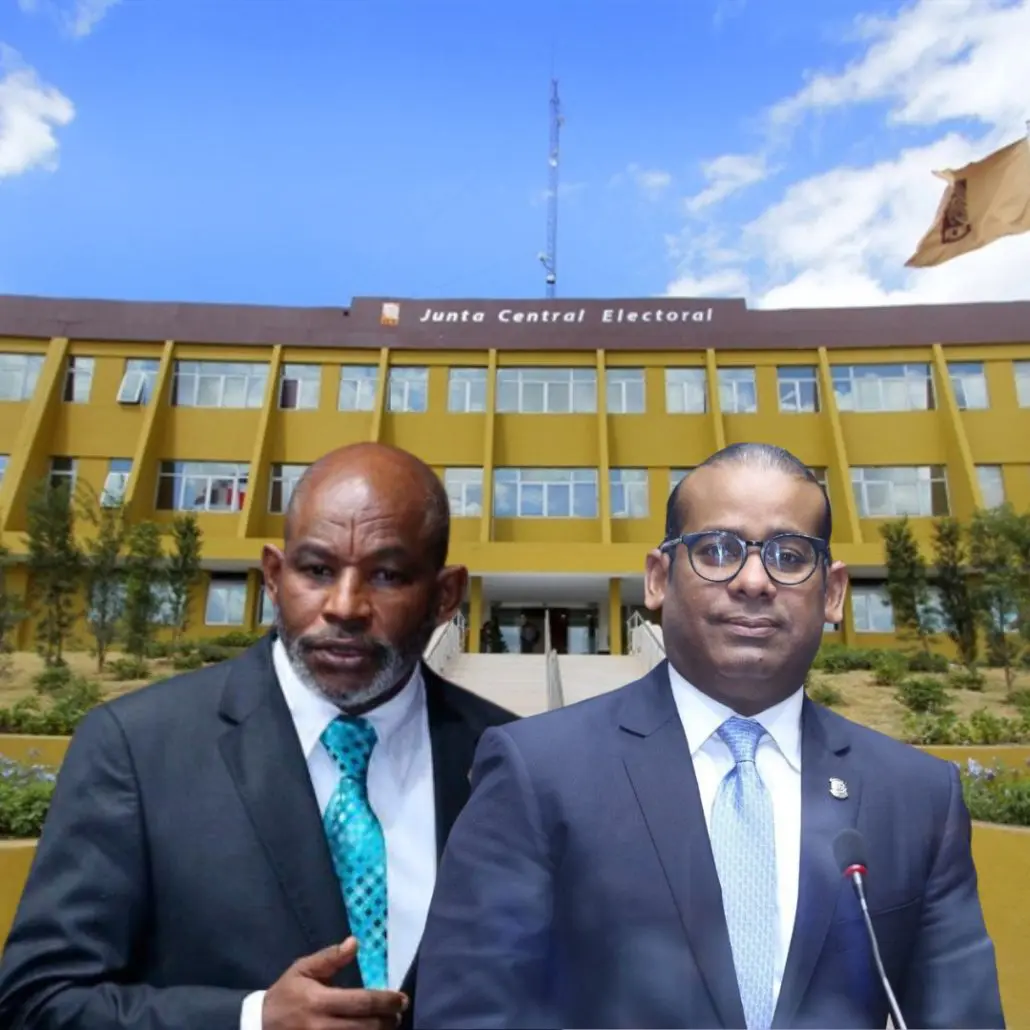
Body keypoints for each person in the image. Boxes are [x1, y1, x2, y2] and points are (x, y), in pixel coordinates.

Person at [413, 442, 1004, 1030]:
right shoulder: (537, 772)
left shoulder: (918, 795)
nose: (754, 581)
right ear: (658, 579)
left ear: (832, 592)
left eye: (790, 556)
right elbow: (470, 1014)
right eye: (717, 551)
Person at [0, 442, 516, 1030]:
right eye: (317, 570)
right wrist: (251, 1019)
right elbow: (37, 1002)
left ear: (445, 595)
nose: (345, 606)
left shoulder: (509, 756)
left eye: (388, 575)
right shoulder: (137, 749)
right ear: (274, 575)